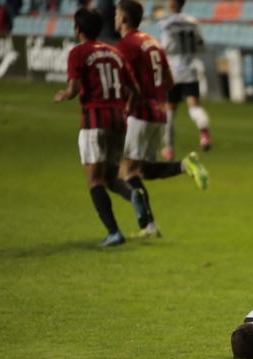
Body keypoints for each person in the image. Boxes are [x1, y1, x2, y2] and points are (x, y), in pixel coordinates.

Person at [54, 8, 149, 247]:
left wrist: (65, 94)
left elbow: (74, 88)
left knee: (95, 181)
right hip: (119, 121)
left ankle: (114, 232)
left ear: (77, 29)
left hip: (94, 121)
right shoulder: (115, 53)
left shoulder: (78, 53)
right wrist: (127, 108)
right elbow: (135, 91)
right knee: (109, 177)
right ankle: (133, 195)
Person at [114, 0, 209, 238]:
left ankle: (148, 224)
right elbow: (168, 82)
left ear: (124, 18)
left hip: (139, 113)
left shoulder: (126, 46)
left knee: (126, 171)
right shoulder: (152, 42)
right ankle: (184, 166)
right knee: (143, 170)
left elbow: (124, 84)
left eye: (116, 14)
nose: (114, 18)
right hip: (158, 113)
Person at [159, 0, 212, 153]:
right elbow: (201, 45)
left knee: (169, 109)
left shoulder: (166, 24)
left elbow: (164, 47)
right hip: (190, 68)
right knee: (194, 105)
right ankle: (204, 134)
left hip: (173, 71)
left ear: (171, 4)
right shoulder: (192, 22)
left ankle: (168, 148)